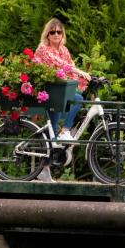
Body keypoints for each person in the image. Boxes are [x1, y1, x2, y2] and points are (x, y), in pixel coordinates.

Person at [33, 18, 91, 182]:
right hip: (49, 91)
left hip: (61, 91)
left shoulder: (64, 50)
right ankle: (44, 168)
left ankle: (64, 132)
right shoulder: (43, 48)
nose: (56, 34)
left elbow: (70, 70)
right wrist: (79, 72)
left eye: (59, 32)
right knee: (52, 134)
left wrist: (83, 81)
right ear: (48, 34)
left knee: (78, 98)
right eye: (53, 32)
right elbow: (61, 65)